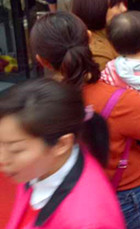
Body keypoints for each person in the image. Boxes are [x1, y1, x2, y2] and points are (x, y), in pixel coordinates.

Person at [30, 12, 140, 229]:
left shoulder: (41, 107)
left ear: (41, 60)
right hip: (133, 196)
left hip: (82, 199)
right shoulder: (122, 101)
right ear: (89, 37)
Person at [0, 78, 125, 229]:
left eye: (16, 150)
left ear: (62, 144)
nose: (2, 158)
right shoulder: (38, 168)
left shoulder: (87, 221)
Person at [72, 0, 127, 70]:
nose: (124, 9)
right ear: (98, 9)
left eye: (122, 3)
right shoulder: (98, 56)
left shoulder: (113, 35)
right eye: (117, 5)